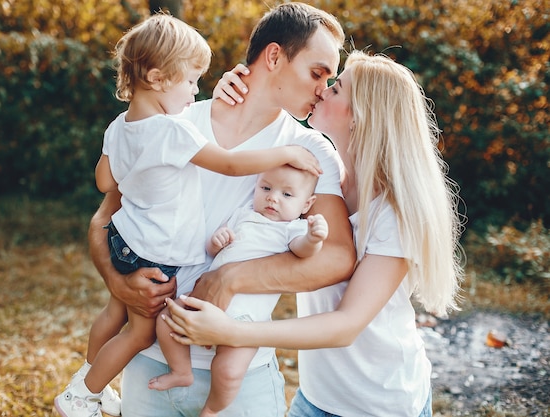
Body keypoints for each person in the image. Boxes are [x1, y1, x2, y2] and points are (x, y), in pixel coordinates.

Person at [87, 3, 356, 417]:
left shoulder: (310, 150)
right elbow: (105, 217)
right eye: (317, 72)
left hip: (239, 378)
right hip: (150, 364)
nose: (323, 88)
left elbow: (338, 256)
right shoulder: (176, 120)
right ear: (273, 56)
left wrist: (229, 277)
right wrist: (116, 281)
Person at [164, 49, 465, 417]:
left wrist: (231, 333)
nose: (322, 91)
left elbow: (345, 326)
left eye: (336, 89)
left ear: (359, 118)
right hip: (316, 397)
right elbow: (262, 121)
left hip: (381, 402)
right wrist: (236, 91)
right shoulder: (324, 177)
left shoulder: (394, 212)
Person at [149, 165, 329, 416]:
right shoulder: (243, 214)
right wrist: (218, 240)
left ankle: (212, 409)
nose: (273, 197)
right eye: (265, 188)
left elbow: (302, 250)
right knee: (167, 318)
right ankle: (181, 372)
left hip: (245, 321)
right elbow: (214, 251)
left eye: (287, 195)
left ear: (307, 204)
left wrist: (314, 238)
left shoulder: (291, 229)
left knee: (230, 370)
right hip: (204, 302)